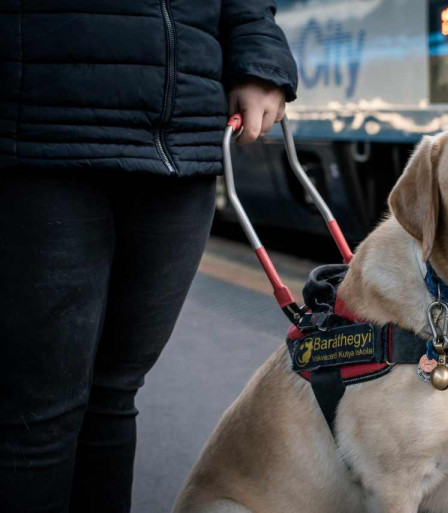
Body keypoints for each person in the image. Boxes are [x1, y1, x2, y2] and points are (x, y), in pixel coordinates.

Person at [0, 2, 298, 512]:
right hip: (43, 134)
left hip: (180, 146)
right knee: (40, 413)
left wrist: (260, 59)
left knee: (115, 396)